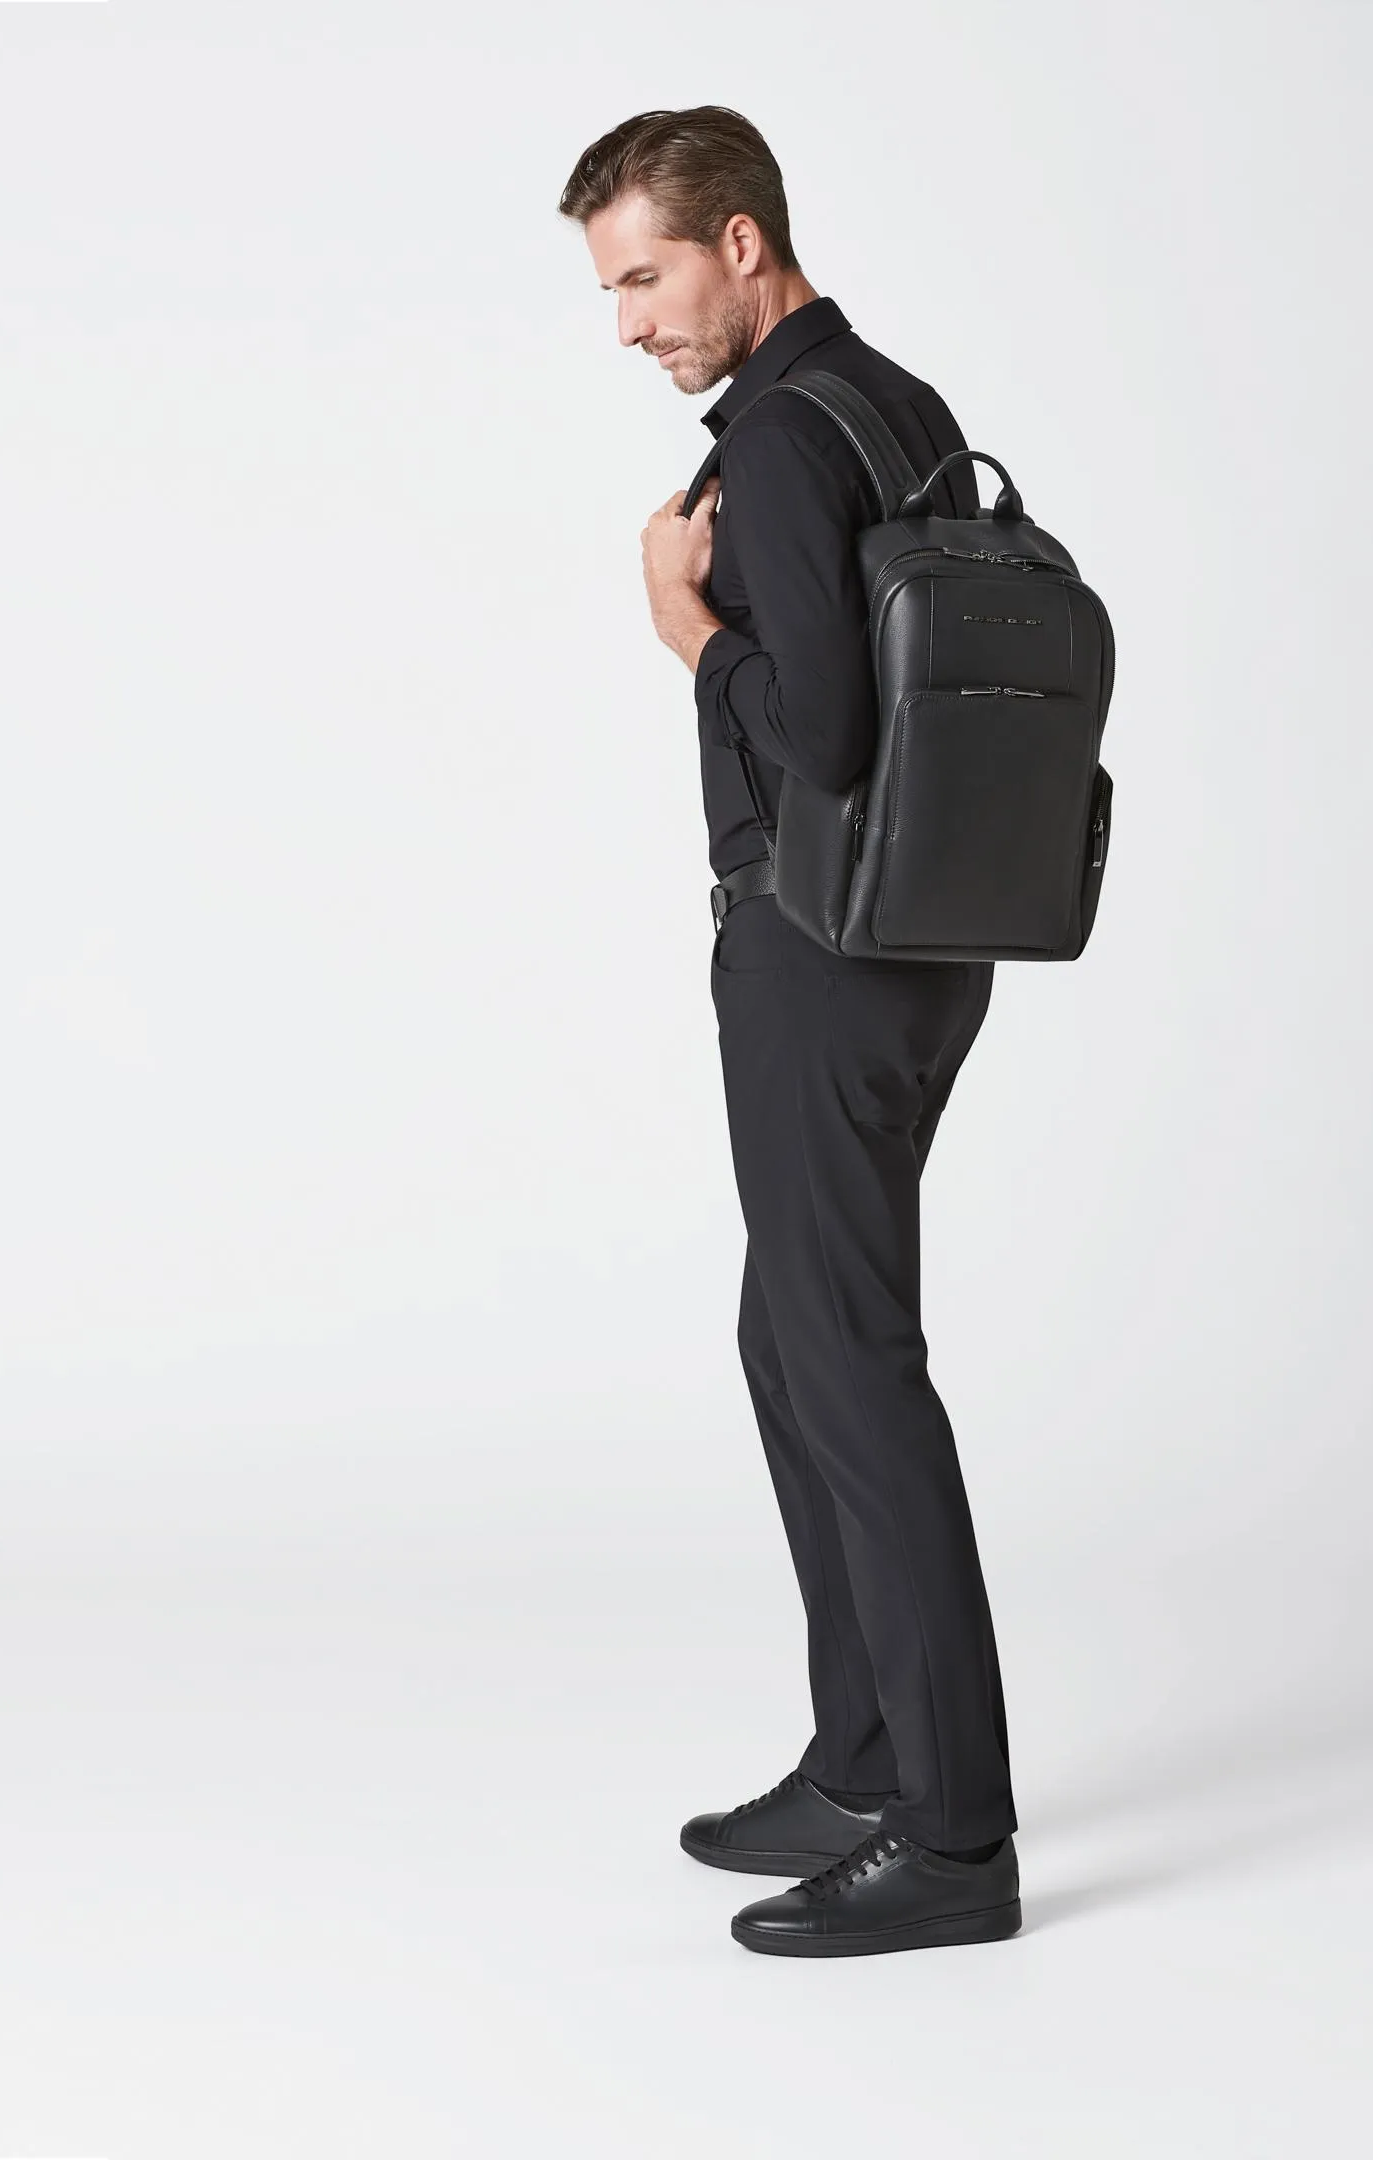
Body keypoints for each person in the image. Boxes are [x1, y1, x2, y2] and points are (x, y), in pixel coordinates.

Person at [559, 105, 1021, 1958]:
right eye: (610, 291)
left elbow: (825, 730)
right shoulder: (894, 402)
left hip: (825, 942)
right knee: (798, 1334)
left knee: (846, 1354)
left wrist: (684, 622)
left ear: (742, 243)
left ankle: (955, 1837)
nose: (629, 325)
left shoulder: (775, 433)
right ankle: (864, 1757)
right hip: (928, 936)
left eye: (647, 277)